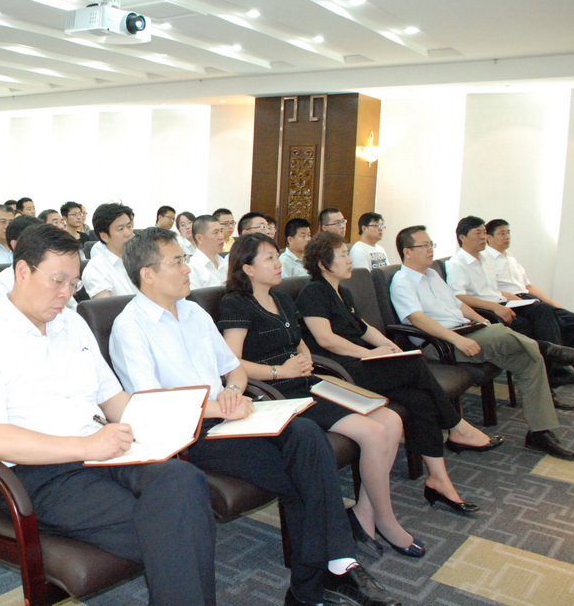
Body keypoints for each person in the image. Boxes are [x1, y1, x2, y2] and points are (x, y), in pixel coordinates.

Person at [110, 227, 399, 606]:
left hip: (231, 413)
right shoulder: (130, 326)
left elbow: (233, 367)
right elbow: (151, 402)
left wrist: (233, 389)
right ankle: (324, 578)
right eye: (177, 261)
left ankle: (331, 572)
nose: (187, 269)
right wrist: (221, 407)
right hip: (190, 433)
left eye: (185, 260)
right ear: (147, 273)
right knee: (302, 476)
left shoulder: (193, 312)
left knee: (306, 434)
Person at [0, 224, 218, 606]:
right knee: (175, 525)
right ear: (23, 272)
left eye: (73, 283)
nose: (67, 294)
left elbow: (113, 399)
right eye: (57, 281)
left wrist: (174, 422)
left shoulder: (73, 323)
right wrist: (87, 446)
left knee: (184, 480)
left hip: (106, 451)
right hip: (42, 473)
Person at [227, 233, 498, 524]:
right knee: (411, 373)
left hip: (311, 375)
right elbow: (234, 362)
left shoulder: (286, 298)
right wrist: (283, 370)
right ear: (248, 268)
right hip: (311, 378)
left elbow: (310, 339)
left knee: (416, 401)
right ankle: (455, 429)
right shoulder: (251, 302)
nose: (279, 263)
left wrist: (385, 349)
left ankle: (429, 484)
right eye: (270, 258)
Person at [390, 225, 574, 461]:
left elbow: (459, 305)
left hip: (467, 332)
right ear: (407, 251)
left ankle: (540, 433)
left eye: (431, 244)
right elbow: (417, 319)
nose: (430, 249)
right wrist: (457, 339)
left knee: (529, 359)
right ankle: (548, 348)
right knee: (507, 336)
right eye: (424, 245)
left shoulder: (432, 275)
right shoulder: (402, 281)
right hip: (442, 343)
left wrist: (482, 321)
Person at [446, 215, 574, 400]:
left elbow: (493, 289)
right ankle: (554, 373)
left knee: (543, 310)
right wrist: (495, 307)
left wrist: (511, 298)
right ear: (463, 237)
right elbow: (459, 297)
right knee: (534, 325)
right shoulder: (457, 263)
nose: (483, 237)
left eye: (484, 232)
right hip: (487, 310)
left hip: (502, 302)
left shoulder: (484, 259)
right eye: (478, 233)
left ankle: (554, 373)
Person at [485, 218, 574, 382]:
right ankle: (557, 369)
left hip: (526, 298)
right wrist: (511, 297)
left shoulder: (510, 257)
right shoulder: (485, 258)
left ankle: (567, 368)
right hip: (509, 301)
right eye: (502, 233)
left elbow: (529, 286)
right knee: (543, 311)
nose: (507, 236)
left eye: (508, 232)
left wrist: (553, 304)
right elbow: (487, 289)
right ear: (489, 237)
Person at [81, 202, 137, 299]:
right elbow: (107, 307)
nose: (128, 233)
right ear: (105, 236)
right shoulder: (96, 268)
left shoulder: (142, 259)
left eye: (129, 226)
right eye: (120, 229)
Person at [187, 215, 228, 290]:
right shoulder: (192, 269)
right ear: (199, 238)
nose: (221, 236)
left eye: (221, 231)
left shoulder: (225, 264)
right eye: (215, 232)